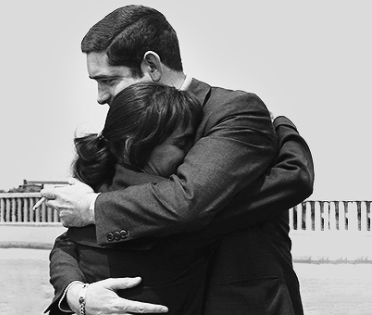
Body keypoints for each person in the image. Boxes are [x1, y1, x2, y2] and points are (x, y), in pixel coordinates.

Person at [42, 5, 314, 315]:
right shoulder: (127, 126)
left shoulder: (232, 111)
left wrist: (93, 207)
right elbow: (74, 239)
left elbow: (188, 201)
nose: (101, 96)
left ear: (151, 65)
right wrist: (78, 294)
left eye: (108, 80)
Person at [49, 82, 210, 315]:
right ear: (135, 144)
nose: (190, 154)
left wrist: (75, 294)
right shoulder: (178, 205)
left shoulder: (99, 193)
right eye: (182, 143)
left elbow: (65, 245)